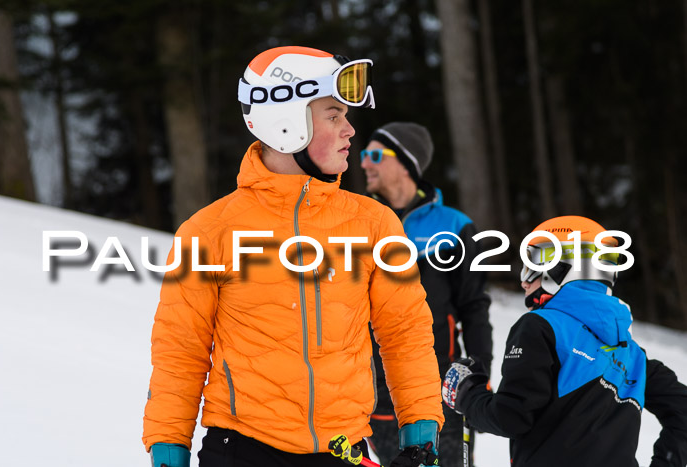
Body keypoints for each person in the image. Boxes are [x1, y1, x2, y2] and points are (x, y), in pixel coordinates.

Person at [142, 46, 444, 467]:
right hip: (240, 451)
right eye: (334, 115)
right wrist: (168, 448)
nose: (349, 131)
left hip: (343, 452)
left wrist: (421, 433)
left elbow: (405, 334)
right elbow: (180, 350)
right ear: (286, 123)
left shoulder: (374, 224)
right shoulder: (209, 232)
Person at [442, 215, 687, 467]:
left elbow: (511, 417)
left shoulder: (542, 326)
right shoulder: (634, 356)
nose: (524, 281)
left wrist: (466, 395)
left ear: (566, 266)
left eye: (533, 264)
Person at [360, 122, 493, 467]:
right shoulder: (359, 223)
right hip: (374, 391)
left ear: (406, 163)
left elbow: (474, 306)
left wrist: (479, 374)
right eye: (363, 155)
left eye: (374, 155)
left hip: (440, 388)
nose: (363, 163)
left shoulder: (454, 226)